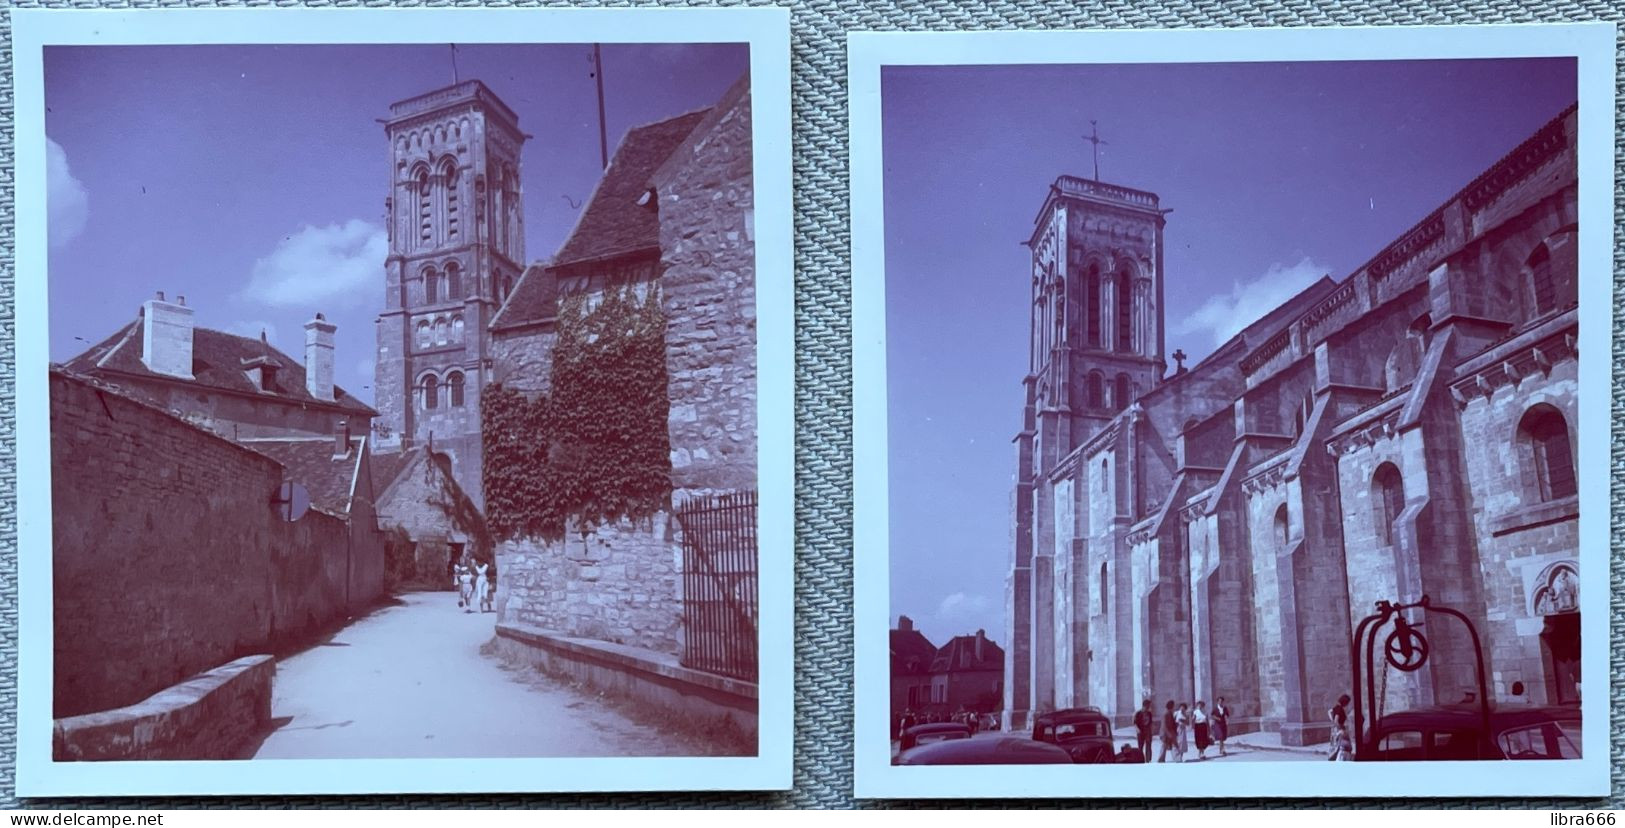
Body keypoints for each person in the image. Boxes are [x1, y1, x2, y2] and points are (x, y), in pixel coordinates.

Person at [1328, 693, 1353, 761]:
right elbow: (1336, 720)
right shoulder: (1340, 709)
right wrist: (1341, 729)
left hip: (1335, 730)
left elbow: (1329, 712)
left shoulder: (1336, 707)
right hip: (1340, 729)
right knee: (1343, 747)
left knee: (1336, 747)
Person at [1133, 698, 1155, 764]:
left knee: (1148, 746)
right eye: (1148, 706)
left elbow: (1151, 723)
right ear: (1145, 706)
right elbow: (1135, 723)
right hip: (1141, 732)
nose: (1149, 707)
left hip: (1148, 731)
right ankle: (1140, 760)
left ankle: (1148, 760)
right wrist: (1138, 730)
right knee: (1140, 747)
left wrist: (1152, 731)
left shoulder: (1149, 713)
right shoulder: (1138, 713)